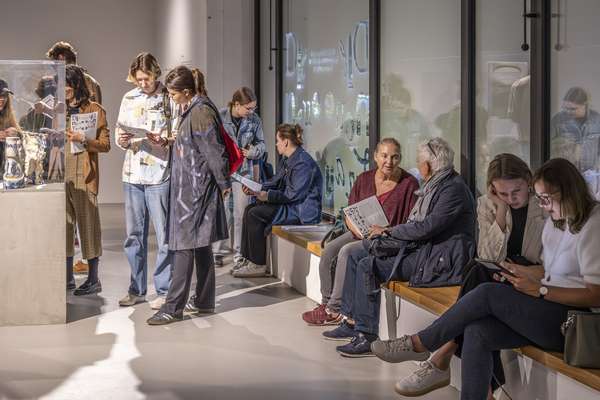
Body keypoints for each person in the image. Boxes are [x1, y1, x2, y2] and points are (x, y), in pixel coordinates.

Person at [372, 157, 600, 400]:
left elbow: (595, 294)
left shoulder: (593, 223)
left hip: (576, 323)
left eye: (545, 199)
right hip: (548, 308)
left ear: (566, 191)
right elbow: (550, 271)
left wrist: (541, 291)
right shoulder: (557, 221)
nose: (543, 206)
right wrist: (521, 274)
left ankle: (421, 344)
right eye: (540, 198)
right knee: (476, 330)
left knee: (486, 293)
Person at [390, 153, 546, 397]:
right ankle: (481, 386)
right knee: (479, 278)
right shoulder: (488, 204)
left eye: (516, 191)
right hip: (498, 280)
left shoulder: (545, 207)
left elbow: (547, 263)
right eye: (502, 193)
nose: (511, 198)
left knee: (478, 275)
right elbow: (487, 254)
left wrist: (517, 267)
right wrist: (501, 213)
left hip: (529, 284)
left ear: (528, 181)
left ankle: (442, 349)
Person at [324, 137, 476, 357]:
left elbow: (425, 228)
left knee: (367, 264)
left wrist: (389, 232)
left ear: (429, 165)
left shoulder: (452, 189)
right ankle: (351, 320)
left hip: (436, 261)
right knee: (358, 254)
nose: (417, 166)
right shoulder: (439, 184)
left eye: (420, 162)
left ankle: (366, 335)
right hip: (425, 250)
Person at [302, 138, 419, 326]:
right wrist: (355, 227)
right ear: (375, 156)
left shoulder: (409, 184)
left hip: (385, 238)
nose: (389, 161)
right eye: (384, 156)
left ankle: (335, 309)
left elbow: (410, 223)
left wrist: (385, 231)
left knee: (346, 252)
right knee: (330, 249)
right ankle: (326, 303)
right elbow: (349, 212)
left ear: (400, 158)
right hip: (358, 232)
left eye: (394, 157)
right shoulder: (364, 179)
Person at [147, 66, 230, 325]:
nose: (171, 97)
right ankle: (204, 300)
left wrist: (223, 183)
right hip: (192, 190)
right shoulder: (195, 109)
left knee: (183, 247)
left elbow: (214, 152)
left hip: (195, 192)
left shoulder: (201, 111)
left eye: (173, 93)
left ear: (186, 91)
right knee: (201, 246)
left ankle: (173, 307)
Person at [115, 53, 173, 310]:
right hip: (132, 175)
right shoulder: (129, 98)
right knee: (134, 236)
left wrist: (165, 139)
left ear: (155, 74)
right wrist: (123, 140)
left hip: (160, 173)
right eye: (138, 79)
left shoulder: (168, 97)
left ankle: (164, 289)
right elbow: (119, 133)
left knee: (164, 236)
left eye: (146, 79)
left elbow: (177, 132)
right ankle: (136, 289)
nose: (143, 84)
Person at [232, 123, 323, 278]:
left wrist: (267, 196)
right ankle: (249, 259)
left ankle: (258, 264)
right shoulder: (288, 160)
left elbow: (293, 195)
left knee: (255, 214)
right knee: (250, 209)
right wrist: (257, 188)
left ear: (286, 141)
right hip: (290, 206)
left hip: (300, 212)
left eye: (277, 140)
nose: (276, 144)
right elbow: (274, 181)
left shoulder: (303, 163)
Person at [64, 65, 110, 295]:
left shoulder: (94, 109)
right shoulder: (57, 111)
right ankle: (67, 278)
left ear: (77, 85)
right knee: (64, 226)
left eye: (68, 85)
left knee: (88, 226)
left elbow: (105, 145)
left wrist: (84, 139)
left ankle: (93, 279)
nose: (64, 90)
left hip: (84, 173)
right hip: (61, 174)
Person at [212, 87, 265, 268]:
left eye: (253, 108)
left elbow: (262, 145)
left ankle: (238, 255)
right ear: (237, 104)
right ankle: (217, 251)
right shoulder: (219, 117)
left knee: (241, 215)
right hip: (225, 173)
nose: (251, 112)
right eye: (248, 108)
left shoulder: (254, 120)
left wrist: (253, 151)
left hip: (244, 173)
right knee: (223, 213)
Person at [550, 86, 600, 172]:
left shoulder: (597, 120)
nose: (568, 111)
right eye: (566, 108)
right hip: (565, 171)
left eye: (573, 109)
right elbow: (549, 146)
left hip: (590, 172)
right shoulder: (557, 120)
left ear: (585, 105)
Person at [0, 79, 20, 176]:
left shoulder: (7, 113)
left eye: (4, 96)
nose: (2, 99)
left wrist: (15, 133)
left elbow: (21, 134)